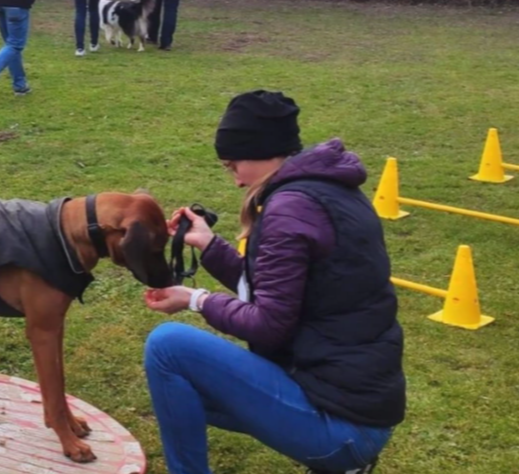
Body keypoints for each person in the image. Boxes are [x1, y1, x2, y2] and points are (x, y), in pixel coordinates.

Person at [141, 90, 403, 474]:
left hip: (343, 426)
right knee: (181, 384)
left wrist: (195, 298)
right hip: (357, 406)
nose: (234, 182)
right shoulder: (329, 189)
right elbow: (277, 288)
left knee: (168, 347)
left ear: (259, 152)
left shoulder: (289, 209)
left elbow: (269, 324)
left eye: (233, 167)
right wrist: (210, 246)